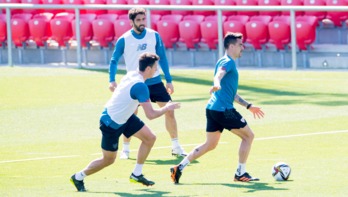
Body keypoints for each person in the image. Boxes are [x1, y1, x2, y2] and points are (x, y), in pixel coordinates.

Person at [70, 52, 181, 192]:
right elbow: (151, 115)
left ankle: (136, 174)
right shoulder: (141, 86)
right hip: (111, 122)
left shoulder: (131, 74)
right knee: (108, 160)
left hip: (125, 117)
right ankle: (78, 177)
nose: (156, 70)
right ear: (148, 69)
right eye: (155, 67)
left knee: (150, 138)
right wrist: (167, 107)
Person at [170, 32, 265, 183]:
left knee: (210, 144)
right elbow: (219, 75)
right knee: (248, 136)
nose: (243, 47)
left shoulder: (223, 60)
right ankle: (240, 173)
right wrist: (216, 83)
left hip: (212, 109)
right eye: (240, 45)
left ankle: (179, 167)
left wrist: (248, 106)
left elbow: (230, 92)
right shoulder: (228, 62)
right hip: (223, 110)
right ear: (231, 46)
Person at [108, 7, 187, 159]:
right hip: (135, 84)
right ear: (131, 21)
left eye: (143, 19)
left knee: (169, 111)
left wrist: (169, 80)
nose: (142, 22)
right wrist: (112, 80)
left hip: (155, 82)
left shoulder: (154, 35)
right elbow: (114, 60)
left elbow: (162, 58)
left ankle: (176, 147)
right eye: (138, 20)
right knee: (130, 114)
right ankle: (125, 149)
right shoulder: (124, 39)